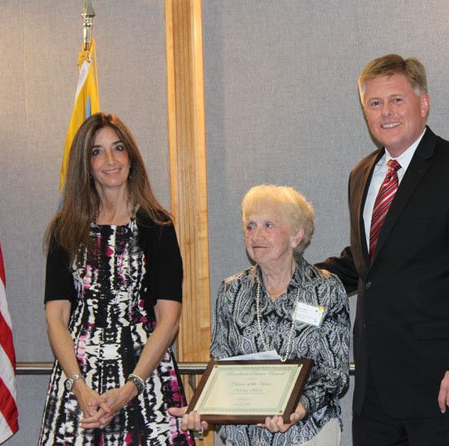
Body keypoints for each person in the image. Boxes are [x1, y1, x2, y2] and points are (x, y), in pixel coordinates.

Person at [318, 54, 449, 446]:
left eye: (396, 100)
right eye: (374, 103)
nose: (385, 112)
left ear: (423, 104)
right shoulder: (360, 176)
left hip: (443, 386)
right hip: (375, 391)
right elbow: (367, 262)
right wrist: (295, 274)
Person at [38, 112, 194, 445]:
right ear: (85, 164)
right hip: (80, 388)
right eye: (97, 151)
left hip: (145, 379)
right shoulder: (65, 230)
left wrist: (130, 388)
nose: (110, 160)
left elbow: (169, 319)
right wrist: (78, 386)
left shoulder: (158, 226)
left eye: (118, 148)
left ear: (131, 157)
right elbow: (56, 318)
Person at [170, 184, 351, 445]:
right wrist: (203, 410)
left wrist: (298, 408)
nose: (256, 235)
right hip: (243, 437)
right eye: (250, 226)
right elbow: (222, 363)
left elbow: (335, 372)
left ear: (296, 235)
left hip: (307, 432)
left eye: (268, 225)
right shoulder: (232, 291)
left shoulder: (324, 289)